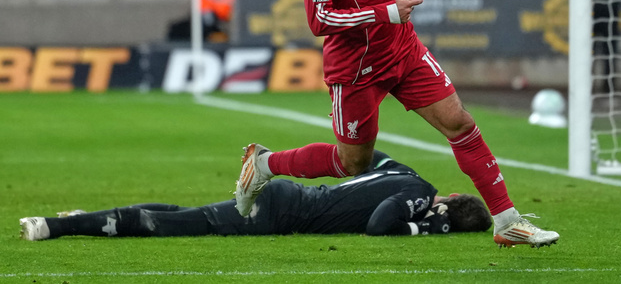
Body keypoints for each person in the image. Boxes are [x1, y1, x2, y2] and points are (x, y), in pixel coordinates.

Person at [233, 0, 559, 249]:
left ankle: (507, 221)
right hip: (356, 68)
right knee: (352, 163)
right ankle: (264, 163)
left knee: (460, 124)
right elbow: (320, 20)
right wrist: (385, 10)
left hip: (401, 49)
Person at [20, 151, 490, 241]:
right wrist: (421, 224)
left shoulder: (405, 171)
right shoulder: (419, 196)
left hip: (292, 196)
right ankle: (56, 227)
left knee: (190, 216)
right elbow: (379, 224)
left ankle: (83, 217)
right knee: (172, 226)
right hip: (282, 211)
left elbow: (369, 157)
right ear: (443, 203)